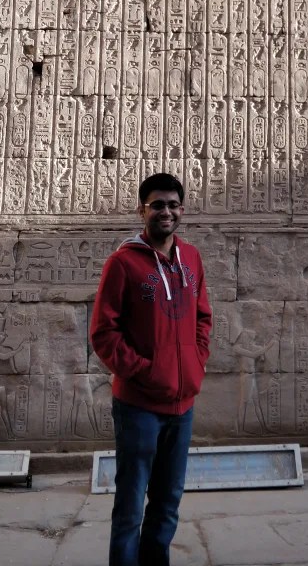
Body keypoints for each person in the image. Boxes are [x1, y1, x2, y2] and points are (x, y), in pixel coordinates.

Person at [91, 172, 212, 566]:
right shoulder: (122, 263)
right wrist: (144, 371)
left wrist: (194, 362)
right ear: (142, 209)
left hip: (183, 405)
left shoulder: (191, 258)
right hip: (139, 406)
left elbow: (203, 318)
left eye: (173, 205)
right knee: (130, 509)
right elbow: (103, 333)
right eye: (157, 204)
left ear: (182, 210)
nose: (166, 212)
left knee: (168, 502)